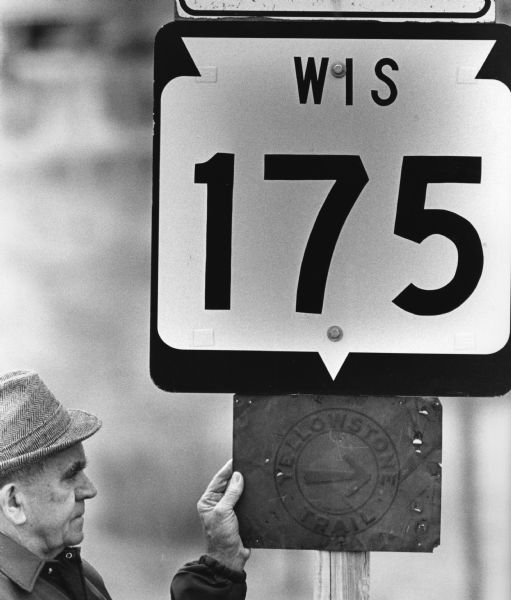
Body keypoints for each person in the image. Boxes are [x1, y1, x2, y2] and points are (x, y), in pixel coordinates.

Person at [0, 370, 250, 599]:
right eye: (70, 475)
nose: (89, 490)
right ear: (13, 502)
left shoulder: (71, 571)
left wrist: (222, 562)